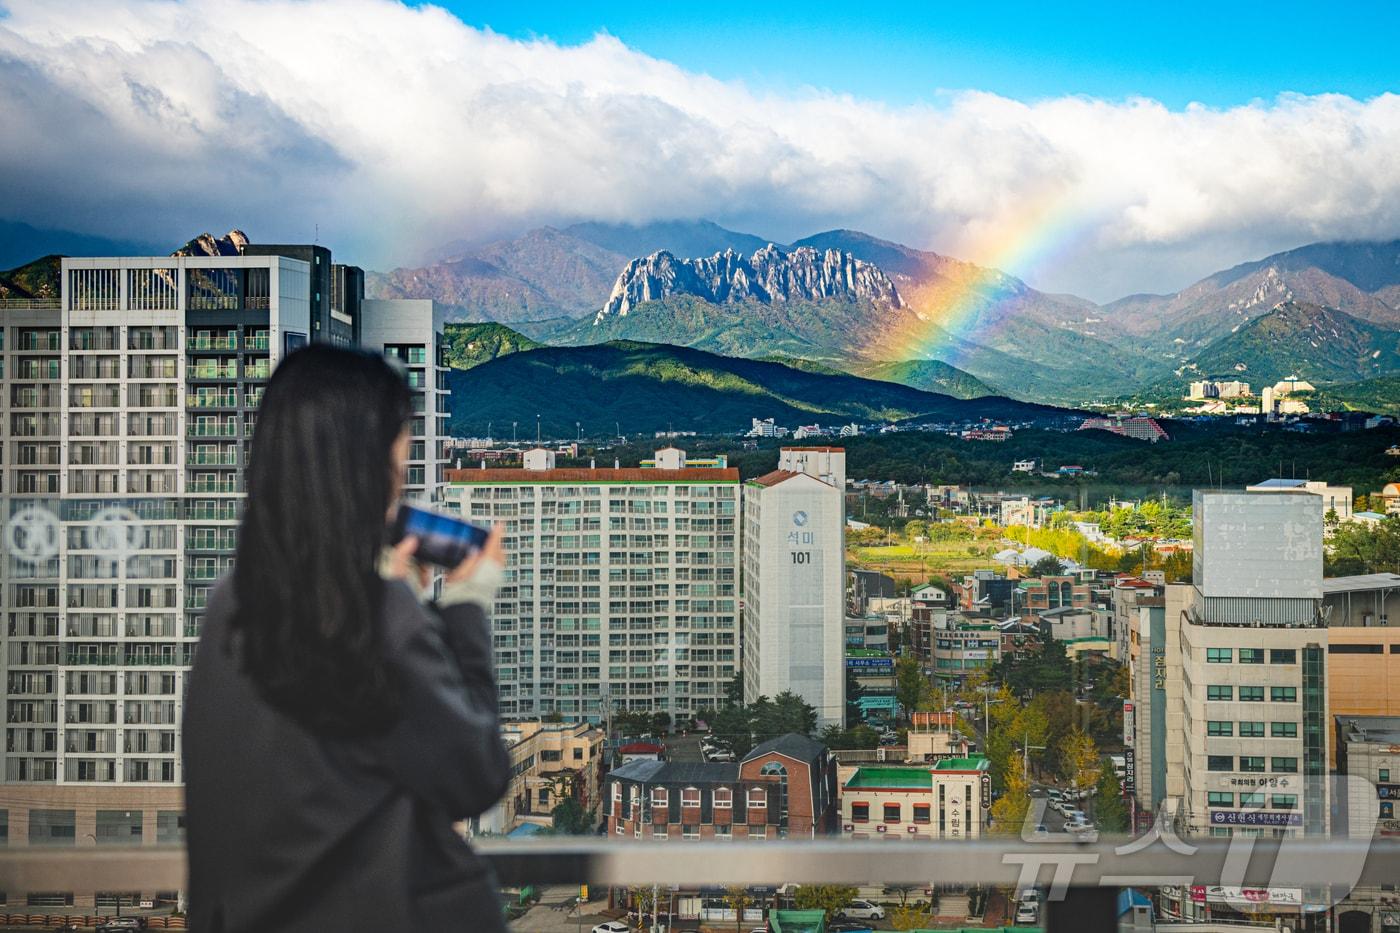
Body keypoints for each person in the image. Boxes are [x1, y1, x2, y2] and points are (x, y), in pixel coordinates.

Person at [184, 345, 511, 932]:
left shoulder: (229, 605)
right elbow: (476, 775)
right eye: (403, 438)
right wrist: (465, 606)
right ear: (371, 458)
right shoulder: (377, 614)